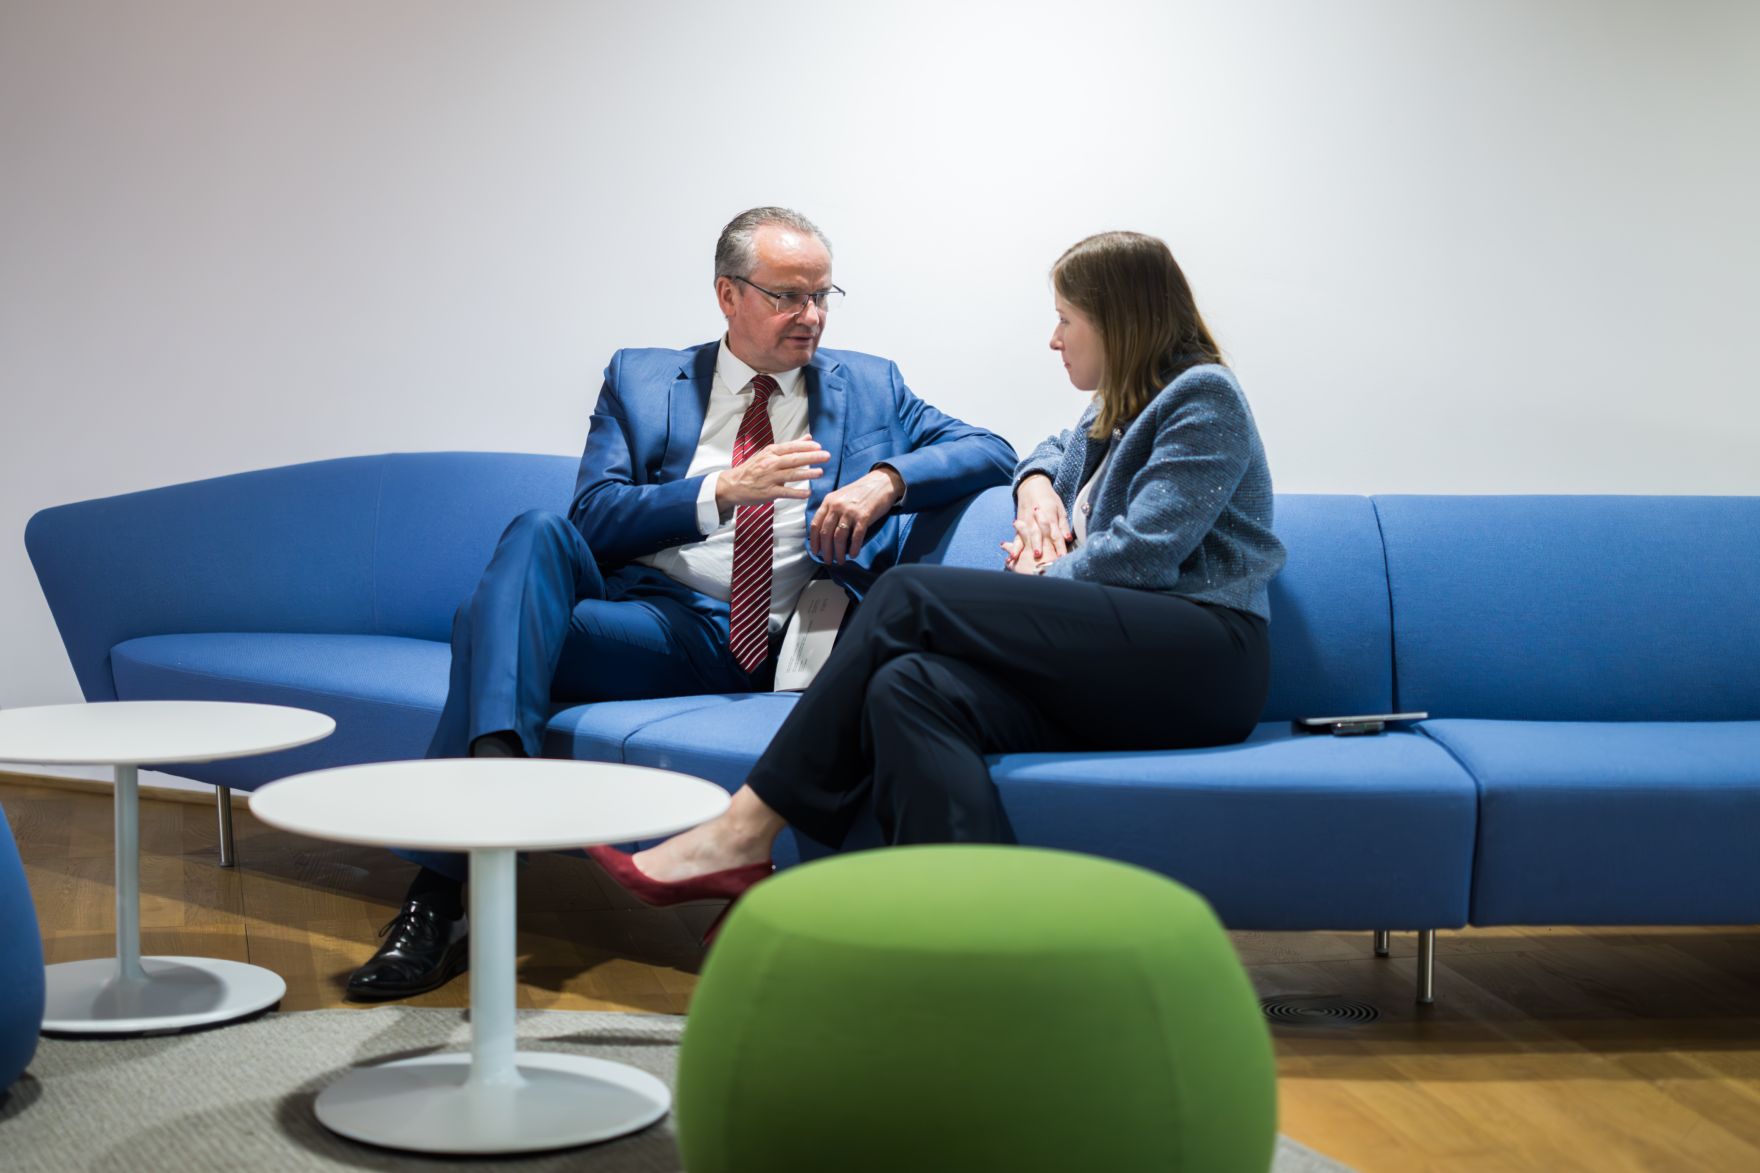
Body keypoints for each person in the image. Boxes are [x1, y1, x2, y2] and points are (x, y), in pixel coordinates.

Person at [348, 207, 1016, 1000]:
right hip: (657, 626)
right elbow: (591, 515)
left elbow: (991, 448)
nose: (812, 316)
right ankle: (496, 781)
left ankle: (439, 893)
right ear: (729, 296)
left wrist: (887, 480)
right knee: (534, 536)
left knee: (482, 628)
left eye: (823, 294)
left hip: (782, 640)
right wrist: (719, 491)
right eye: (787, 296)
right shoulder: (641, 377)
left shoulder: (870, 384)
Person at [588, 230, 1286, 931]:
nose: (1054, 338)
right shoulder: (1118, 408)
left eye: (1067, 319)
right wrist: (1037, 485)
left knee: (904, 595)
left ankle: (743, 829)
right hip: (1128, 660)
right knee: (910, 687)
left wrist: (1042, 575)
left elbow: (1143, 557)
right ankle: (966, 931)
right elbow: (1043, 452)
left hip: (1202, 658)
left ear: (1119, 321)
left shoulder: (1203, 399)